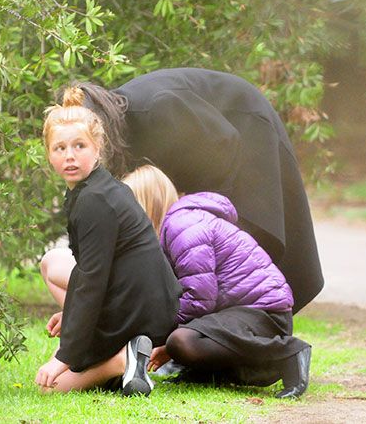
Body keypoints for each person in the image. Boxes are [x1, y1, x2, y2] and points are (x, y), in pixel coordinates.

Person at [60, 68, 323, 313]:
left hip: (243, 125)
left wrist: (199, 207)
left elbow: (224, 142)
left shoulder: (156, 108)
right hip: (217, 140)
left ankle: (256, 328)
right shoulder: (120, 129)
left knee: (243, 237)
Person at [34, 87, 181, 396]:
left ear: (97, 148)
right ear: (48, 154)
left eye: (79, 146)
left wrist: (63, 356)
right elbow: (94, 270)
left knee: (52, 387)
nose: (70, 156)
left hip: (141, 313)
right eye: (59, 148)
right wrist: (71, 316)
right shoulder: (95, 189)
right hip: (148, 305)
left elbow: (91, 278)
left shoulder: (95, 200)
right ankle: (124, 364)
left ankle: (121, 360)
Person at [122, 164, 312, 398]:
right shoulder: (177, 227)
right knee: (180, 340)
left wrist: (162, 337)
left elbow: (200, 298)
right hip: (238, 314)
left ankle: (290, 354)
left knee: (181, 341)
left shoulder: (183, 227)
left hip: (263, 313)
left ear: (146, 204)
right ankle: (202, 373)